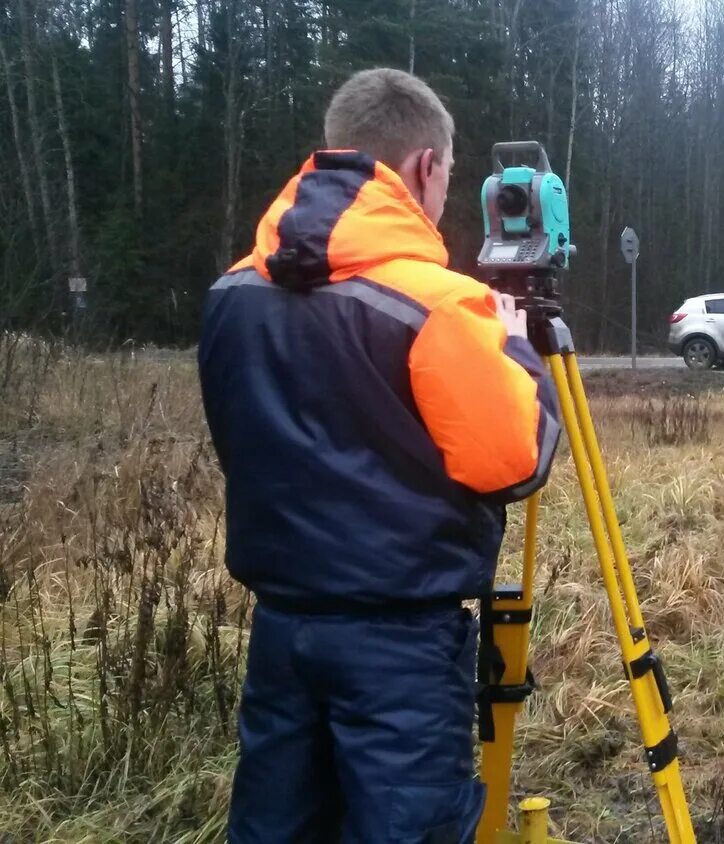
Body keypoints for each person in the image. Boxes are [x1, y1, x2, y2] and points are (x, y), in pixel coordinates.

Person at [198, 67, 561, 842]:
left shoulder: (232, 293)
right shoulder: (437, 303)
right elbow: (511, 463)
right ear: (426, 167)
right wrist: (520, 351)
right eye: (449, 178)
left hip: (282, 626)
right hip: (399, 643)